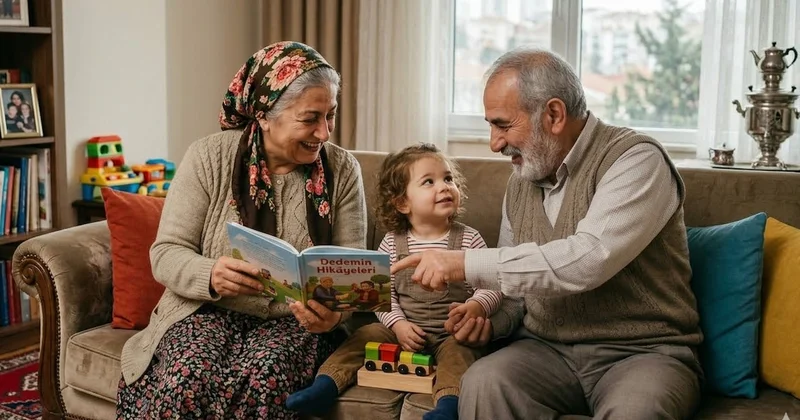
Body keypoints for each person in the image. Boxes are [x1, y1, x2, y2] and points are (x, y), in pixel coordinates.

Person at [392, 48, 704, 420]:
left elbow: (588, 259)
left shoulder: (636, 160)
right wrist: (488, 323)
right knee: (484, 381)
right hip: (546, 352)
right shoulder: (520, 181)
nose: (494, 143)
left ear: (554, 115)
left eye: (503, 125)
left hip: (643, 353)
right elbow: (515, 294)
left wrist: (462, 263)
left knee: (637, 412)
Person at [116, 41, 368, 419]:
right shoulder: (208, 157)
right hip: (206, 310)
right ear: (265, 115)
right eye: (310, 118)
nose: (324, 132)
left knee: (263, 377)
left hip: (295, 325)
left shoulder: (343, 170)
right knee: (187, 378)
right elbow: (166, 252)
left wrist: (334, 315)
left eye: (330, 115)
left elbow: (353, 272)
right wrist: (211, 274)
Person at [287, 143, 503, 420]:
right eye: (429, 181)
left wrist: (477, 307)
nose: (445, 186)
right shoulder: (391, 242)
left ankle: (448, 406)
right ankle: (324, 387)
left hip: (452, 332)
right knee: (364, 336)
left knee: (461, 354)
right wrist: (398, 324)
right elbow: (380, 295)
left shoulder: (468, 239)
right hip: (402, 329)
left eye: (448, 179)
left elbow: (492, 284)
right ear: (403, 202)